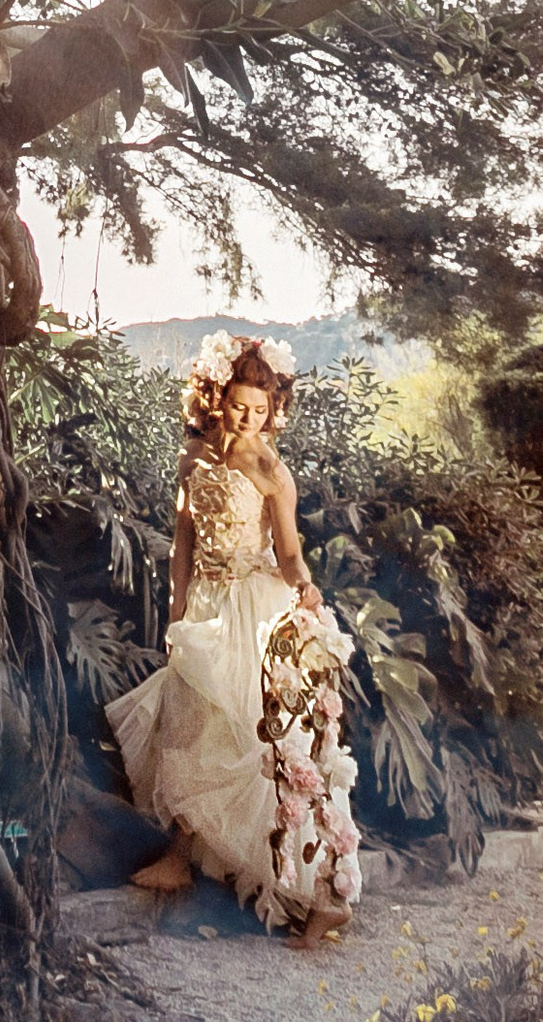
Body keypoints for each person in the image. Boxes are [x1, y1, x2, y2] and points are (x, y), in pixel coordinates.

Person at [106, 333, 362, 947]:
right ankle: (179, 859)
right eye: (239, 405)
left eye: (261, 409)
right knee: (190, 722)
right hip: (207, 604)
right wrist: (176, 613)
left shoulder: (271, 469)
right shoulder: (193, 460)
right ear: (215, 398)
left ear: (274, 409)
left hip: (255, 604)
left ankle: (324, 892)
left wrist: (305, 590)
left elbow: (291, 554)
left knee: (261, 743)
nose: (250, 418)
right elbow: (183, 546)